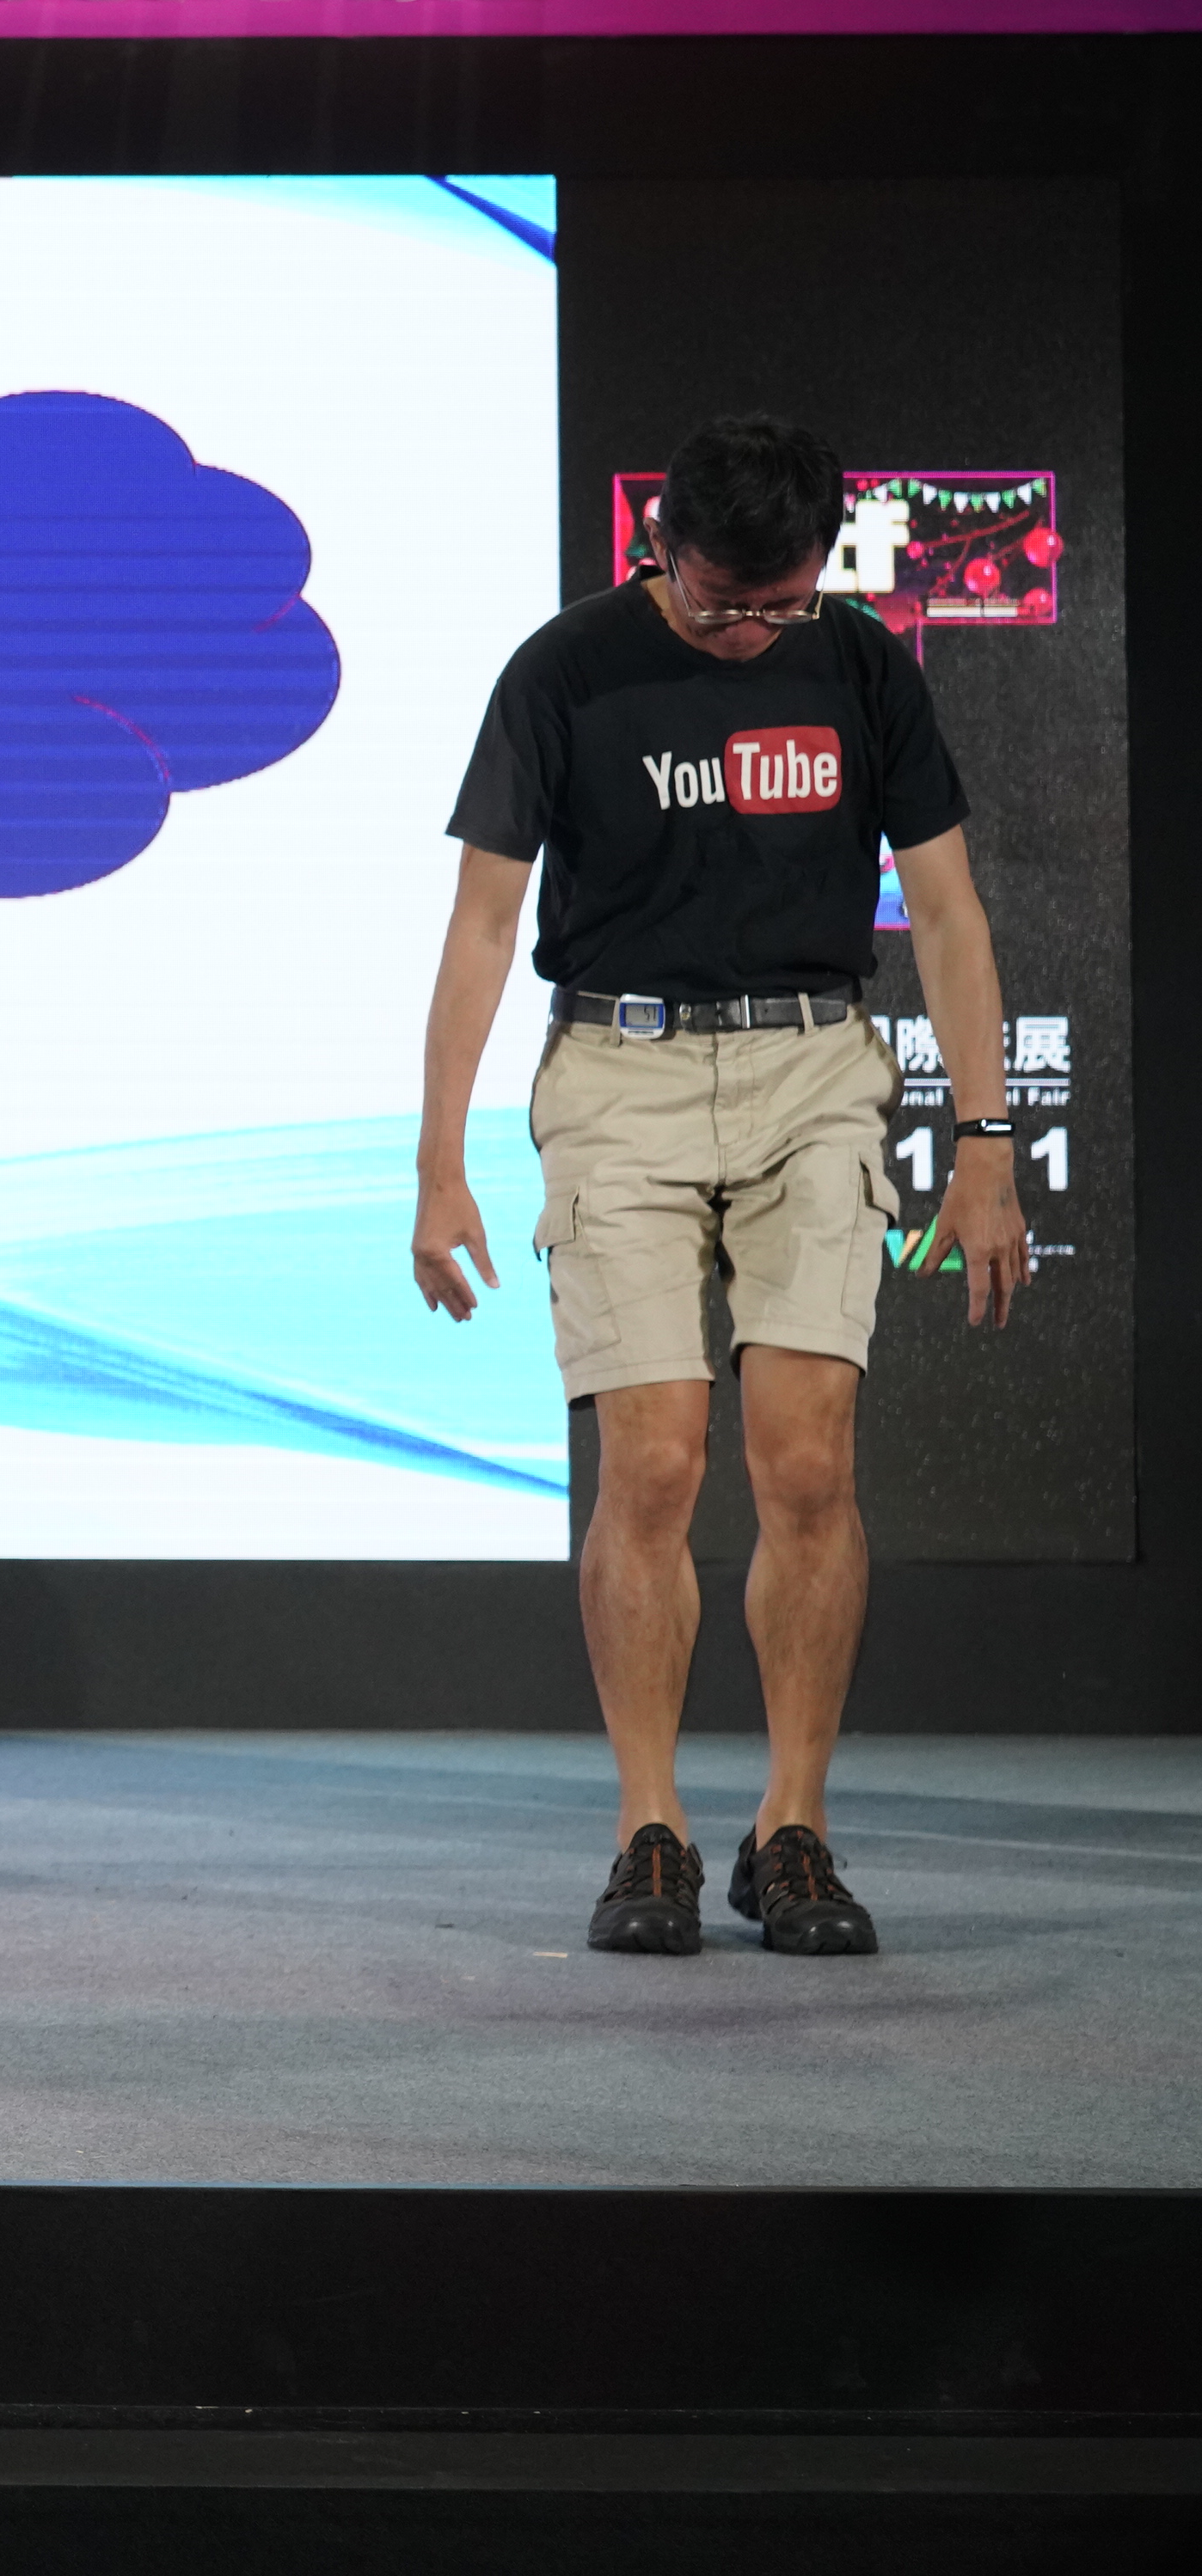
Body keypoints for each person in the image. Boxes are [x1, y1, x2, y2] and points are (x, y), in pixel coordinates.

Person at [410, 413, 1027, 1960]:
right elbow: (483, 923)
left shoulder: (861, 666)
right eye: (717, 599)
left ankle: (791, 1828)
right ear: (661, 549)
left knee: (807, 1462)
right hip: (618, 1077)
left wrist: (986, 1140)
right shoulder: (565, 671)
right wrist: (437, 1159)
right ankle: (652, 1831)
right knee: (655, 1466)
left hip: (813, 1068)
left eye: (780, 600)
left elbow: (947, 913)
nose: (750, 627)